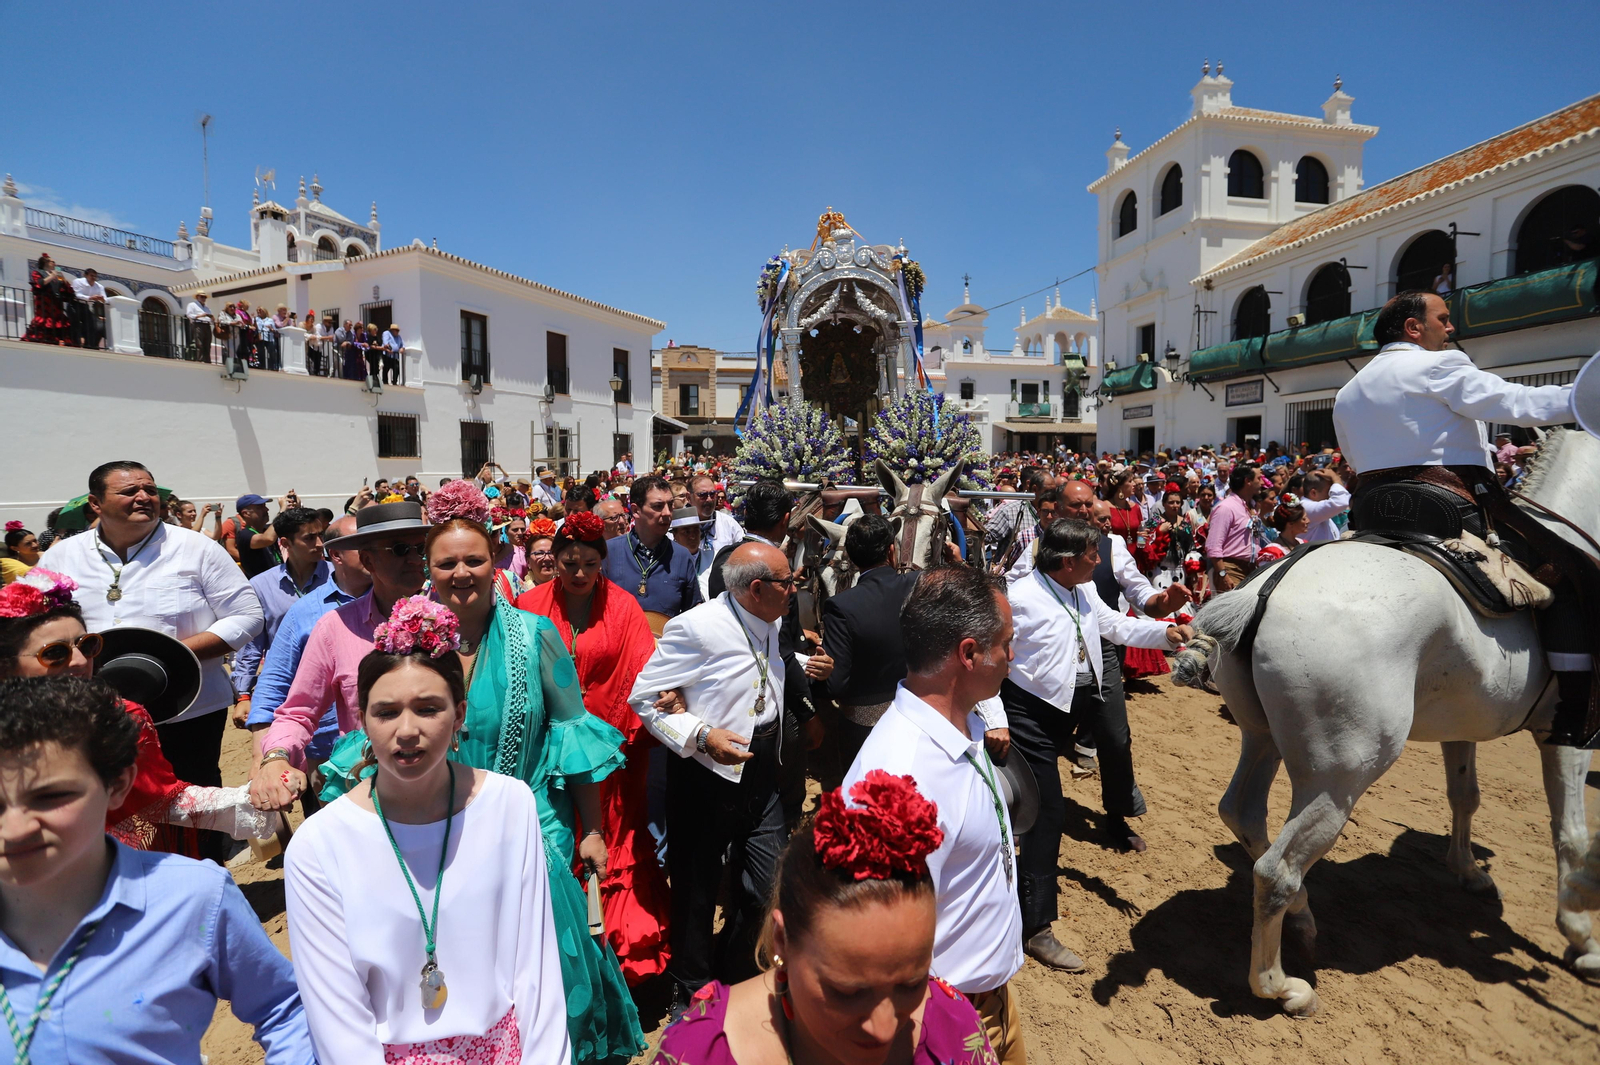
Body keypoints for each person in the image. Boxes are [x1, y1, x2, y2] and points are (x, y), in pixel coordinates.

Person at [297, 487, 646, 1062]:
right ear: (428, 570)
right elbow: (382, 734)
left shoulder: (536, 637)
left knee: (542, 981)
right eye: (446, 562)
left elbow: (570, 735)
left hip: (532, 826)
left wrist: (589, 829)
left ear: (496, 560)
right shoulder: (405, 647)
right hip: (428, 826)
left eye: (474, 559)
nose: (461, 573)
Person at [282, 608, 573, 1063]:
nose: (407, 732)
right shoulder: (320, 845)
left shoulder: (508, 806)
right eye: (386, 712)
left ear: (459, 715)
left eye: (428, 709)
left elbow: (536, 968)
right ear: (361, 719)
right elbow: (336, 1017)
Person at [0, 675, 313, 1064]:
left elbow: (284, 1010)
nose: (15, 829)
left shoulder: (193, 898)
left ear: (118, 784)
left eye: (51, 797)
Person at [1333, 290, 1597, 747]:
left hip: (1374, 509)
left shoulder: (1349, 389)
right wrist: (1584, 398)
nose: (1450, 327)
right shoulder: (1440, 364)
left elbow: (1354, 459)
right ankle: (1574, 708)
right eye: (1443, 318)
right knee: (1572, 571)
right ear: (1414, 328)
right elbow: (1517, 404)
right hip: (1448, 507)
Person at [653, 773, 995, 1065]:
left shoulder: (955, 1030)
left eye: (911, 984)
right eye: (847, 991)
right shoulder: (699, 1053)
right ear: (783, 941)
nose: (884, 1027)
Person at [841, 566, 1025, 1064]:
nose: (1013, 655)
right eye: (1006, 643)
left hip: (989, 1005)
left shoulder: (961, 723)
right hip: (938, 1025)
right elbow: (873, 944)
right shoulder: (901, 778)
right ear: (968, 654)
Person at [36, 461, 263, 861]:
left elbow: (247, 615)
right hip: (94, 711)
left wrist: (173, 655)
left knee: (193, 798)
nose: (144, 497)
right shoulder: (62, 557)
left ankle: (203, 881)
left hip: (188, 709)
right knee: (113, 800)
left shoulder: (195, 548)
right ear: (96, 503)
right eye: (129, 491)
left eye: (150, 489)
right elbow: (29, 620)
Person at [1004, 519, 1192, 974]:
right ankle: (1037, 928)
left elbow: (1114, 625)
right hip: (1028, 716)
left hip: (1066, 712)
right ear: (1067, 561)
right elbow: (994, 662)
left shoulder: (1082, 591)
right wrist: (994, 721)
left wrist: (1164, 633)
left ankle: (1007, 882)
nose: (1099, 560)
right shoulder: (1017, 599)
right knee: (1048, 811)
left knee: (1027, 810)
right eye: (1093, 555)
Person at [628, 542, 794, 1017]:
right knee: (697, 887)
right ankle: (691, 985)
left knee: (770, 886)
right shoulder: (696, 628)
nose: (795, 587)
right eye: (787, 581)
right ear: (756, 588)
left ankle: (734, 967)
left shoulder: (773, 617)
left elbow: (759, 673)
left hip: (760, 766)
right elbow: (643, 697)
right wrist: (701, 735)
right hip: (706, 772)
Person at [516, 511, 672, 986]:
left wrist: (617, 739)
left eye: (588, 562)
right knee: (560, 837)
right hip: (548, 748)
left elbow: (639, 669)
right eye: (569, 562)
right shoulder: (528, 604)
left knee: (613, 836)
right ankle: (562, 959)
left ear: (602, 561)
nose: (579, 572)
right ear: (553, 562)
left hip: (611, 748)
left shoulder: (623, 607)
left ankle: (623, 959)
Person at [247, 500, 431, 801]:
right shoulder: (333, 628)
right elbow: (297, 710)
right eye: (399, 549)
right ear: (368, 561)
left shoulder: (454, 616)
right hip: (368, 790)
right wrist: (273, 756)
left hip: (449, 787)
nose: (414, 559)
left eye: (420, 549)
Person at [244, 514, 370, 804]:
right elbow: (274, 683)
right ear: (336, 554)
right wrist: (264, 757)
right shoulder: (306, 612)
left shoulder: (401, 603)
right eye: (361, 546)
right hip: (324, 751)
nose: (373, 553)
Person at [820, 516, 920, 772]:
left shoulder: (841, 607)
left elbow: (836, 683)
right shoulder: (918, 584)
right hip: (916, 720)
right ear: (891, 550)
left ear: (851, 558)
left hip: (863, 730)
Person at [231, 508, 329, 730]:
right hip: (286, 690)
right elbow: (253, 643)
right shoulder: (261, 586)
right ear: (285, 543)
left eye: (320, 535)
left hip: (335, 688)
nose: (320, 543)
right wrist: (244, 695)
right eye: (309, 538)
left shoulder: (340, 578)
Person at [604, 475, 700, 617]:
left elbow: (693, 614)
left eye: (670, 505)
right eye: (658, 506)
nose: (667, 513)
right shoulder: (608, 552)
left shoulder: (682, 556)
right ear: (636, 510)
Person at [1205, 464, 1261, 592]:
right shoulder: (1226, 508)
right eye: (1259, 478)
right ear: (1248, 481)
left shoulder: (1251, 507)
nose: (1262, 482)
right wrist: (1223, 575)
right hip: (1231, 569)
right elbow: (1213, 546)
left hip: (1252, 570)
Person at [690, 474, 743, 575]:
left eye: (713, 494)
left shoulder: (729, 524)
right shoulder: (678, 526)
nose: (709, 499)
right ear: (689, 497)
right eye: (702, 495)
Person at [20, 252, 76, 346]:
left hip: (56, 305)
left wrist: (64, 280)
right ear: (45, 262)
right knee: (44, 323)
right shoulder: (37, 272)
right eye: (52, 262)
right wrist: (52, 276)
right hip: (44, 304)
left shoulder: (58, 276)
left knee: (60, 324)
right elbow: (39, 283)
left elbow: (66, 290)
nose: (55, 264)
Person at [221, 493, 282, 577]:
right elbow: (268, 539)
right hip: (261, 586)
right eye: (260, 507)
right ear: (246, 513)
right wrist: (282, 511)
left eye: (265, 506)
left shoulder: (268, 529)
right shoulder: (244, 535)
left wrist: (294, 507)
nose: (266, 509)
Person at [1301, 468, 1351, 543]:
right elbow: (1342, 502)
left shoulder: (1315, 506)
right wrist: (1335, 478)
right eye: (1329, 491)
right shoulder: (1305, 508)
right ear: (1313, 493)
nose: (1331, 495)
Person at [1257, 497, 1309, 563]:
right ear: (1290, 524)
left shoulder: (1304, 544)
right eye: (1304, 519)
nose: (1308, 521)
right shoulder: (1273, 552)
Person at [70, 267, 107, 349]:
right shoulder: (78, 282)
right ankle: (75, 343)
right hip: (75, 305)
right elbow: (77, 295)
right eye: (91, 275)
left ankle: (89, 345)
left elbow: (105, 300)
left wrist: (102, 299)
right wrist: (90, 298)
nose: (93, 278)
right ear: (85, 275)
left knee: (92, 325)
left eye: (95, 276)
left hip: (86, 306)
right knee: (75, 324)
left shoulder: (99, 286)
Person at [184, 291, 214, 361]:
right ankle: (199, 359)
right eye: (202, 296)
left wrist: (212, 318)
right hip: (198, 324)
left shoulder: (207, 308)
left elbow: (211, 318)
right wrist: (200, 315)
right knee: (199, 343)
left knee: (207, 343)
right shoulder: (192, 305)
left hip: (207, 325)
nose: (204, 298)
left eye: (205, 297)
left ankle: (207, 360)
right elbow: (189, 315)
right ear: (197, 297)